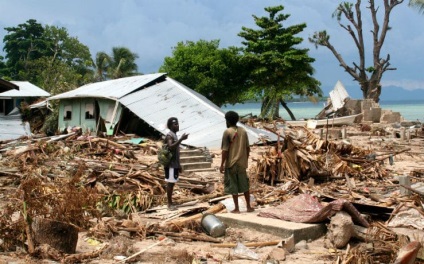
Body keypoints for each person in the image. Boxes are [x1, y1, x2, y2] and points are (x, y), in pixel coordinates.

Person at [219, 111, 254, 213]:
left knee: (233, 186)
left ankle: (237, 208)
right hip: (242, 163)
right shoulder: (243, 131)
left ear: (228, 121)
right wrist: (245, 159)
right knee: (245, 185)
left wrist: (222, 164)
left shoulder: (227, 132)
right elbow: (248, 148)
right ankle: (248, 207)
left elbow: (225, 150)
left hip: (232, 163)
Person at [164, 117, 189, 210]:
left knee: (172, 182)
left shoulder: (174, 135)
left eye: (178, 123)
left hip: (174, 164)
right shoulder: (169, 135)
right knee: (170, 183)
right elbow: (170, 147)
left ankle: (170, 202)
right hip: (170, 164)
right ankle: (169, 204)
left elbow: (175, 152)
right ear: (170, 126)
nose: (177, 125)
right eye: (175, 124)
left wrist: (179, 165)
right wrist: (181, 139)